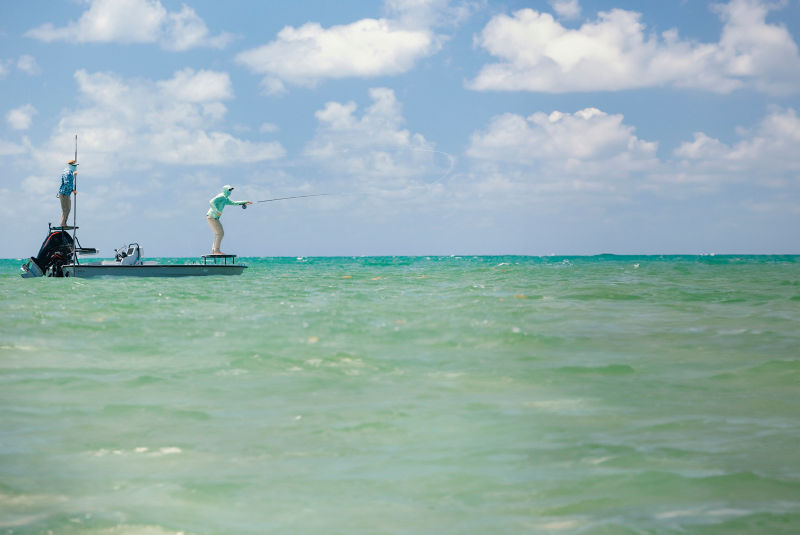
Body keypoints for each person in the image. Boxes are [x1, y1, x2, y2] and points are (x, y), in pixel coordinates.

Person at [206, 185, 251, 254]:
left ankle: (214, 251)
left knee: (218, 233)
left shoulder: (226, 199)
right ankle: (216, 251)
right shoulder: (221, 196)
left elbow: (234, 203)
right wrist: (217, 211)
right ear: (225, 190)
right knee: (220, 233)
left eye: (231, 190)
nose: (230, 191)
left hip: (213, 217)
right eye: (229, 190)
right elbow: (211, 202)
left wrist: (245, 202)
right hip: (211, 216)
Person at [58, 159, 78, 227]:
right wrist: (73, 190)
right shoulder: (67, 172)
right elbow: (67, 183)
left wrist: (73, 174)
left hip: (67, 193)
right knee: (65, 209)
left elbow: (70, 180)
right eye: (74, 166)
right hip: (64, 193)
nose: (75, 167)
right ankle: (62, 224)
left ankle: (64, 223)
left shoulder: (70, 172)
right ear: (70, 165)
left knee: (68, 209)